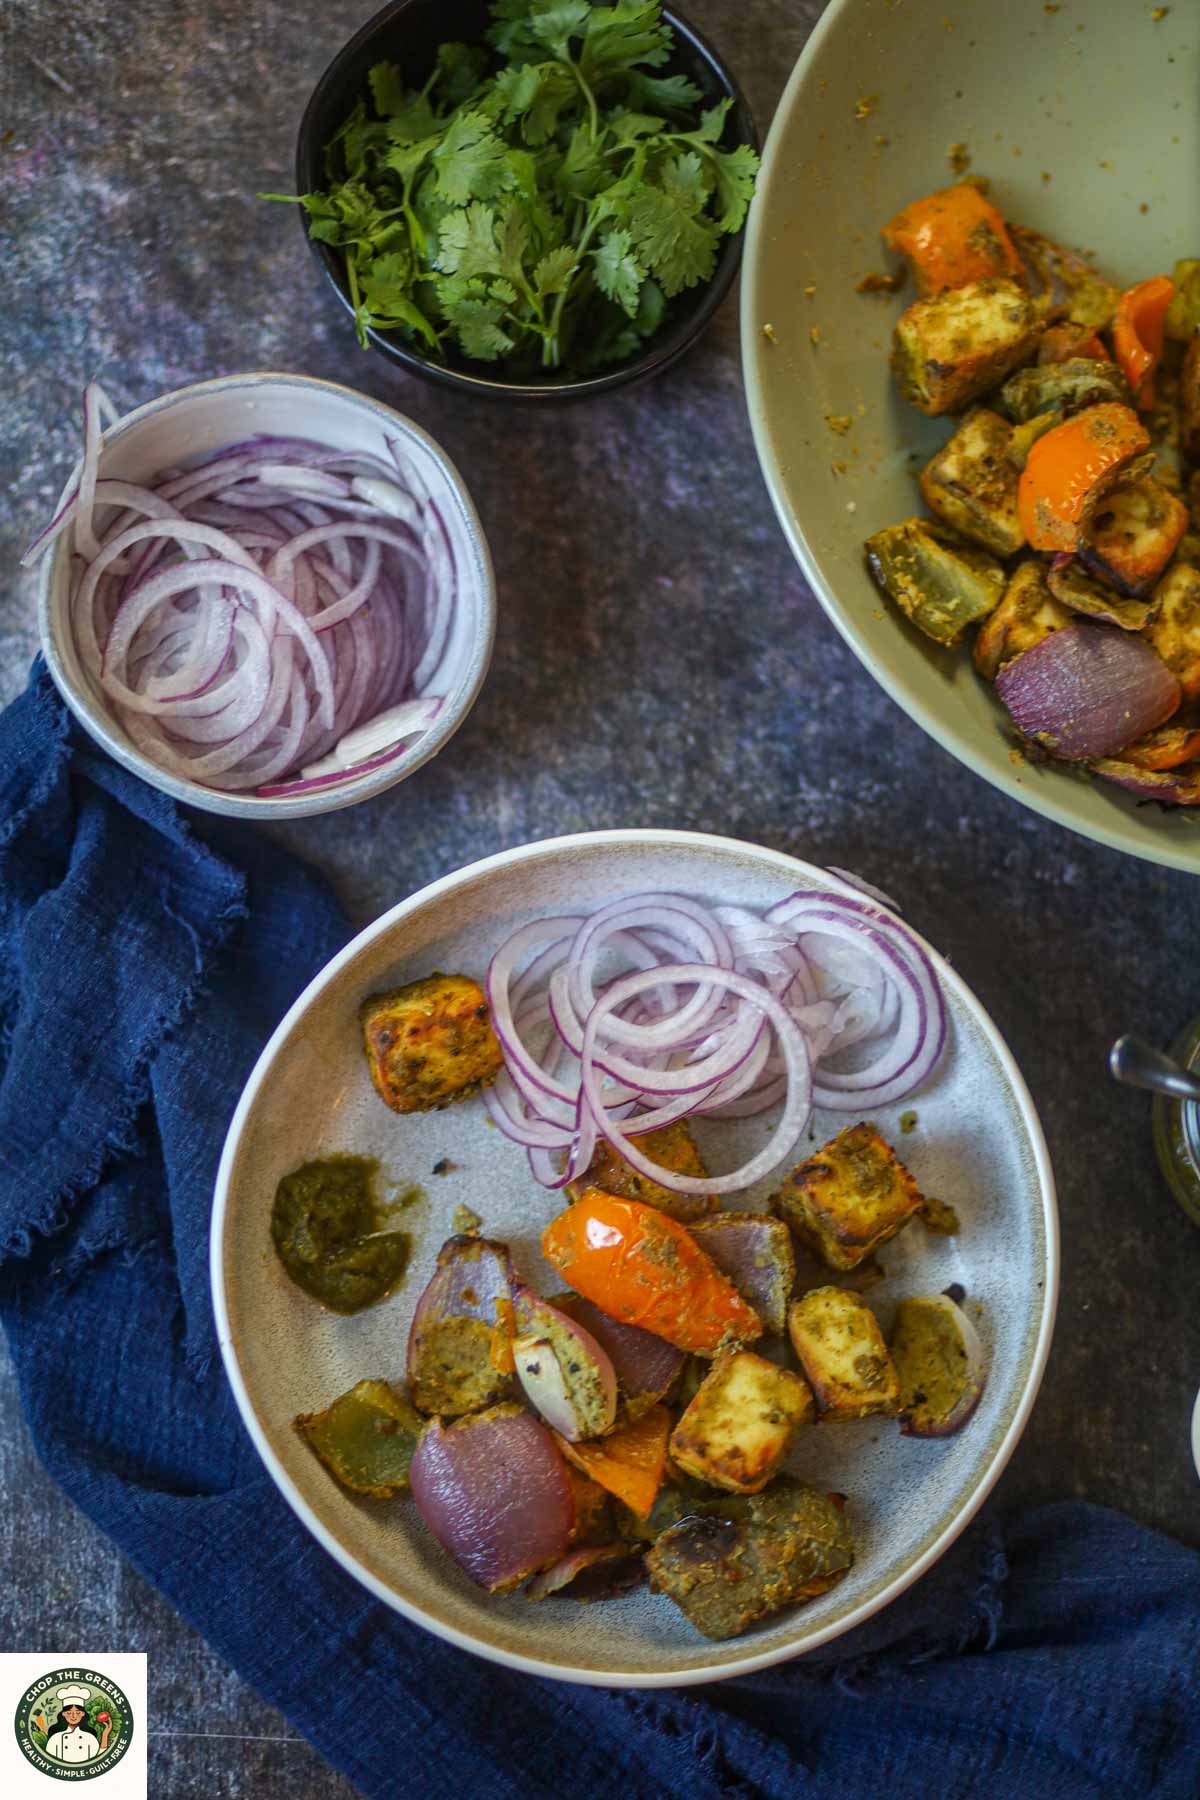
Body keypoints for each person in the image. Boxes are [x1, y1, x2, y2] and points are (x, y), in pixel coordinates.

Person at [44, 1685, 110, 1764]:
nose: (73, 1716)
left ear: (83, 1714)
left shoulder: (89, 1737)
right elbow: (49, 1762)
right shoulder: (55, 1738)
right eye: (69, 1712)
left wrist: (105, 1735)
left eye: (78, 1712)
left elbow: (98, 1760)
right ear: (63, 1714)